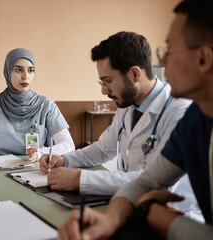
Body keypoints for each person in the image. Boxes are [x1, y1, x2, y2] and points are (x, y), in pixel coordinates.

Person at [58, 0, 213, 239]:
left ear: (204, 59)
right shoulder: (195, 120)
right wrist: (109, 220)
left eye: (169, 51)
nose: (161, 62)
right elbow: (147, 181)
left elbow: (157, 189)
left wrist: (149, 210)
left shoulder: (181, 110)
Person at [39, 31, 200, 221]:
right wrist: (65, 160)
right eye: (101, 82)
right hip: (132, 205)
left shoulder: (179, 111)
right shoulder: (127, 106)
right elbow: (102, 150)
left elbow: (154, 181)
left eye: (108, 81)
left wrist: (80, 179)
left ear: (135, 74)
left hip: (176, 217)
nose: (103, 90)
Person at [0, 48, 74, 161]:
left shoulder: (46, 105)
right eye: (18, 70)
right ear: (8, 72)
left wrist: (40, 153)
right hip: (0, 169)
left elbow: (68, 145)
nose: (25, 76)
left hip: (37, 168)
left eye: (30, 70)